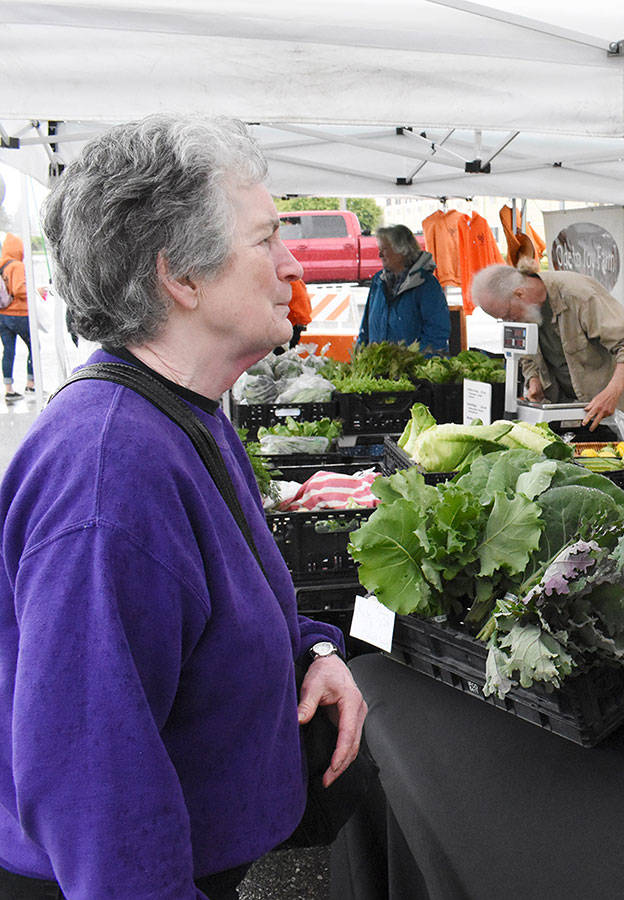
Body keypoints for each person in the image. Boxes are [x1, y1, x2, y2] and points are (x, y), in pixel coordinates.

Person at [0, 114, 368, 898]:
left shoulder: (182, 408)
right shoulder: (109, 474)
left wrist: (311, 651)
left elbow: (221, 588)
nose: (293, 265)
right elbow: (93, 785)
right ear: (183, 278)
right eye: (267, 239)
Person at [470, 263, 624, 434]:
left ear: (520, 294)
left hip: (619, 409)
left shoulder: (580, 295)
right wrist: (534, 379)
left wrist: (611, 393)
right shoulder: (525, 311)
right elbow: (528, 356)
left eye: (508, 315)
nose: (508, 321)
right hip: (574, 413)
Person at [356, 223, 449, 354]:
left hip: (413, 369)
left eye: (384, 249)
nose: (380, 254)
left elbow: (437, 333)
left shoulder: (426, 284)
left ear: (402, 250)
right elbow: (365, 327)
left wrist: (409, 362)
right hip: (379, 367)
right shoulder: (378, 281)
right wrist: (360, 354)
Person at [0, 234, 35, 400]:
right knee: (34, 348)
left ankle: (9, 388)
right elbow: (20, 290)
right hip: (19, 314)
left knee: (8, 351)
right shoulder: (17, 266)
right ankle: (31, 385)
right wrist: (34, 291)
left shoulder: (2, 265)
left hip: (2, 315)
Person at [287, 276, 312, 348]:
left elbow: (298, 301)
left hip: (291, 322)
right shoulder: (295, 281)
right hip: (294, 321)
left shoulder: (291, 282)